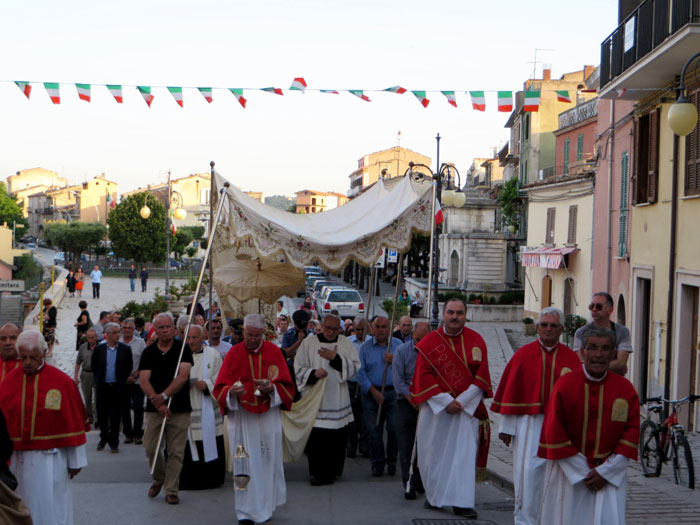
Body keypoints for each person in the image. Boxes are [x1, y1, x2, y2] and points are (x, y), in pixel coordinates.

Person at [538, 326, 640, 525]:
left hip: (610, 477)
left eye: (605, 349)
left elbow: (631, 431)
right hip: (569, 475)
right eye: (593, 348)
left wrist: (605, 472)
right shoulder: (565, 385)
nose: (599, 355)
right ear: (583, 352)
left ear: (612, 354)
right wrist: (583, 471)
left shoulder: (625, 389)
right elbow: (554, 431)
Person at [490, 307, 581, 525]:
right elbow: (512, 390)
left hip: (561, 427)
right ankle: (525, 520)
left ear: (560, 330)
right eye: (544, 325)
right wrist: (506, 427)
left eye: (553, 325)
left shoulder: (571, 358)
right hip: (529, 424)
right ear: (538, 328)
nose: (548, 329)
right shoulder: (523, 355)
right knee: (529, 474)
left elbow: (578, 398)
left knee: (557, 475)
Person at [411, 298, 493, 519]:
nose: (454, 317)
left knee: (463, 458)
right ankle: (435, 497)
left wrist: (462, 402)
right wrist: (446, 402)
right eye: (450, 312)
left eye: (459, 313)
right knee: (433, 455)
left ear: (466, 315)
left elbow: (482, 377)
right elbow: (423, 376)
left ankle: (462, 502)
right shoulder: (429, 342)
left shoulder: (477, 341)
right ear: (444, 314)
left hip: (467, 412)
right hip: (437, 411)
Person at [0, 330, 89, 525]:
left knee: (52, 507)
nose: (28, 362)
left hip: (51, 460)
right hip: (16, 460)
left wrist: (76, 460)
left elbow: (73, 421)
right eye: (23, 357)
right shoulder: (8, 384)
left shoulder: (62, 383)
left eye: (33, 357)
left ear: (44, 352)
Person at [213, 314, 294, 525]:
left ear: (263, 335)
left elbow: (287, 387)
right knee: (244, 464)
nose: (252, 339)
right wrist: (232, 392)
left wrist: (272, 389)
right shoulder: (234, 353)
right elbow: (220, 387)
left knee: (267, 462)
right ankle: (245, 512)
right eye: (249, 335)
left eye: (257, 336)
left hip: (268, 416)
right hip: (242, 418)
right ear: (243, 333)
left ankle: (265, 508)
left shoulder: (275, 352)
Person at [294, 314, 360, 486]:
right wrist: (313, 373)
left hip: (338, 398)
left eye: (335, 329)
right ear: (321, 327)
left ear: (340, 329)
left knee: (336, 438)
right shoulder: (309, 343)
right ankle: (317, 473)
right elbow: (298, 367)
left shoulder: (345, 344)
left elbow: (355, 366)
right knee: (317, 439)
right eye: (328, 328)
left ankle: (334, 471)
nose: (331, 332)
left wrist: (335, 359)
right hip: (316, 400)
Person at [139, 312, 193, 505]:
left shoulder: (183, 348)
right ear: (156, 329)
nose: (164, 330)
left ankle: (172, 489)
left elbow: (183, 376)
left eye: (168, 326)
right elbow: (144, 380)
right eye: (160, 327)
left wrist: (164, 396)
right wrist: (159, 402)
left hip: (179, 407)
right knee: (150, 446)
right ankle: (159, 477)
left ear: (174, 328)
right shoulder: (149, 352)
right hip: (155, 408)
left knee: (176, 451)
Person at [179, 324, 225, 490]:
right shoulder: (179, 356)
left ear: (203, 337)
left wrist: (206, 385)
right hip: (186, 406)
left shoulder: (213, 355)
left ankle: (211, 479)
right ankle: (186, 480)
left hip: (207, 408)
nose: (190, 341)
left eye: (194, 337)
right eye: (188, 338)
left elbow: (221, 379)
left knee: (209, 440)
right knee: (186, 444)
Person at [357, 316, 403, 477]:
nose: (381, 330)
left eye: (384, 326)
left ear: (389, 328)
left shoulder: (397, 346)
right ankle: (377, 463)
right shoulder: (365, 348)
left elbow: (406, 369)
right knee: (373, 431)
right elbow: (360, 372)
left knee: (393, 429)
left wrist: (394, 361)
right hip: (371, 393)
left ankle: (391, 462)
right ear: (372, 328)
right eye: (378, 326)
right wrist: (373, 391)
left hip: (393, 393)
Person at [392, 321, 430, 499]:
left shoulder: (433, 352)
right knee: (406, 447)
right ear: (412, 336)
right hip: (406, 403)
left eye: (425, 339)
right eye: (417, 339)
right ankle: (409, 483)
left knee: (424, 446)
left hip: (427, 405)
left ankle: (421, 481)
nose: (420, 343)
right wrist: (412, 399)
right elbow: (398, 383)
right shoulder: (402, 351)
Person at [92, 322, 133, 454]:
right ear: (107, 334)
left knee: (116, 415)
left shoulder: (125, 349)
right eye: (114, 332)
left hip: (117, 386)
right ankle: (104, 437)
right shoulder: (99, 349)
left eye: (118, 332)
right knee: (102, 414)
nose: (117, 335)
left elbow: (129, 366)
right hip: (103, 386)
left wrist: (122, 378)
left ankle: (114, 442)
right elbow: (94, 366)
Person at [573, 292, 633, 376]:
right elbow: (581, 363)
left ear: (610, 310)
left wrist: (594, 365)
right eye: (591, 306)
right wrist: (614, 367)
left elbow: (620, 362)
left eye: (598, 306)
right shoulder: (580, 333)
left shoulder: (622, 332)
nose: (594, 309)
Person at [120, 318, 147, 444]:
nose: (127, 330)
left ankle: (138, 433)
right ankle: (128, 433)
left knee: (138, 406)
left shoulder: (140, 342)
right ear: (121, 329)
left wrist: (137, 374)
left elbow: (145, 360)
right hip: (123, 380)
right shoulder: (118, 342)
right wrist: (124, 377)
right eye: (125, 328)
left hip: (137, 379)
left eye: (129, 328)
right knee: (124, 407)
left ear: (133, 329)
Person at [346, 317, 369, 458]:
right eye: (358, 329)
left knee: (366, 417)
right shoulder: (348, 343)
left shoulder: (371, 342)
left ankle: (365, 446)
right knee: (351, 418)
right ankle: (351, 446)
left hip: (366, 384)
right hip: (351, 383)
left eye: (363, 329)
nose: (360, 332)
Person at [281, 309, 311, 402]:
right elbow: (285, 353)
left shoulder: (312, 335)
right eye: (299, 327)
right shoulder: (288, 334)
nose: (302, 329)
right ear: (295, 324)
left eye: (304, 326)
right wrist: (299, 341)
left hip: (307, 368)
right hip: (293, 368)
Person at [74, 328, 99, 425]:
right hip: (86, 373)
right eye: (89, 338)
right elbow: (78, 363)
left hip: (97, 374)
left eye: (93, 338)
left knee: (98, 397)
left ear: (96, 337)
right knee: (87, 396)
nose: (91, 340)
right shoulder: (83, 347)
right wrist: (75, 377)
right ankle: (89, 416)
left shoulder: (100, 347)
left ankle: (97, 417)